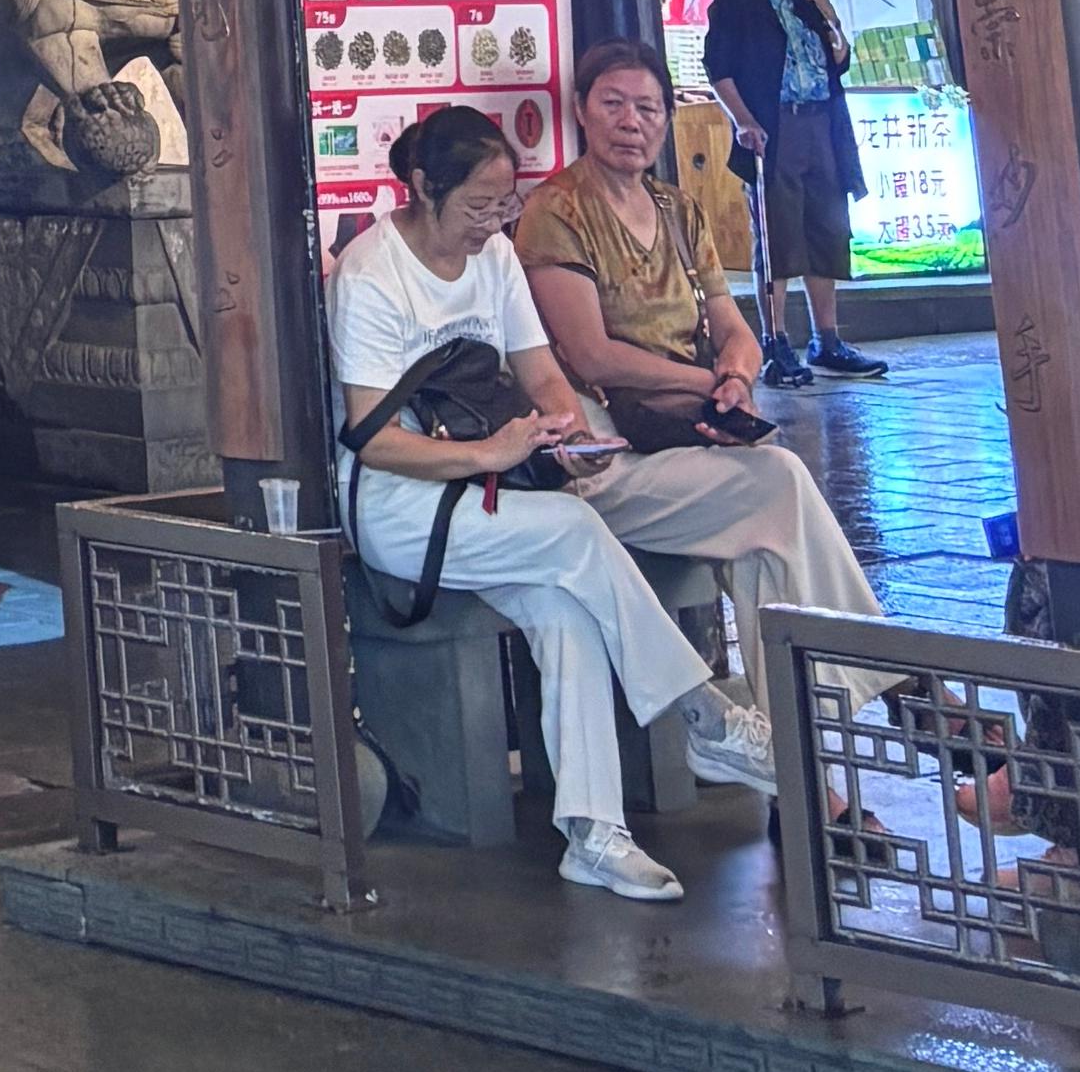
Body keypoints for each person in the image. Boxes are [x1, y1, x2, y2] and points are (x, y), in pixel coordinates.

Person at [329, 102, 783, 902]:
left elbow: (539, 370)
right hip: (403, 509)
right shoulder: (371, 274)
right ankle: (704, 713)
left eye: (502, 205)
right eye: (477, 206)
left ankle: (592, 832)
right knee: (575, 531)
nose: (491, 223)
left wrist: (565, 430)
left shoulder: (498, 256)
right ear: (424, 188)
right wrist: (489, 454)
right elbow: (371, 437)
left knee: (566, 609)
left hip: (492, 498)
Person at [517, 38, 885, 693]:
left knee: (763, 552)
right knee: (778, 480)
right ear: (580, 110)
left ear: (667, 117)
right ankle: (893, 685)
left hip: (683, 438)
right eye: (613, 104)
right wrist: (705, 382)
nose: (631, 123)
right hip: (604, 455)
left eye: (648, 108)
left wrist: (737, 378)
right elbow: (591, 354)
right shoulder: (557, 210)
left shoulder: (677, 209)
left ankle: (799, 744)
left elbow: (732, 326)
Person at [705, 0, 884, 379]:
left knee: (826, 226)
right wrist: (743, 120)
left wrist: (829, 15)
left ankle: (827, 340)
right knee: (777, 234)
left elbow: (839, 59)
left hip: (822, 122)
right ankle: (776, 341)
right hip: (772, 125)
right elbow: (718, 65)